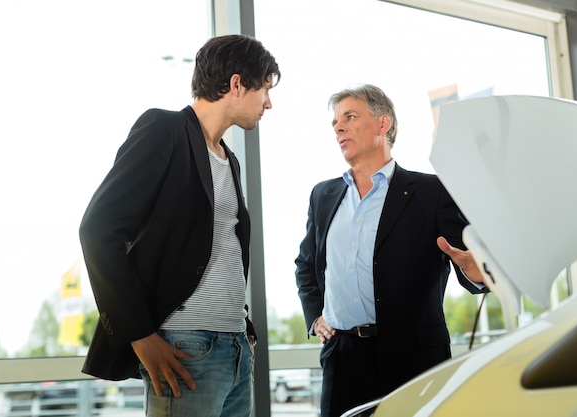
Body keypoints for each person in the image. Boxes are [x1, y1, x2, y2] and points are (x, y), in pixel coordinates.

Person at [79, 34, 280, 417]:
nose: (269, 103)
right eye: (265, 89)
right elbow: (98, 230)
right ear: (237, 84)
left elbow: (216, 248)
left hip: (235, 349)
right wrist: (140, 335)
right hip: (186, 350)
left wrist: (243, 330)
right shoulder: (163, 130)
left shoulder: (228, 160)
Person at [294, 84, 487, 417]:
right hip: (342, 360)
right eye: (335, 122)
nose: (338, 127)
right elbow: (306, 265)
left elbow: (468, 262)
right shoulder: (322, 195)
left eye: (350, 117)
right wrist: (316, 317)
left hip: (413, 360)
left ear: (383, 125)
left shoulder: (431, 191)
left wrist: (477, 272)